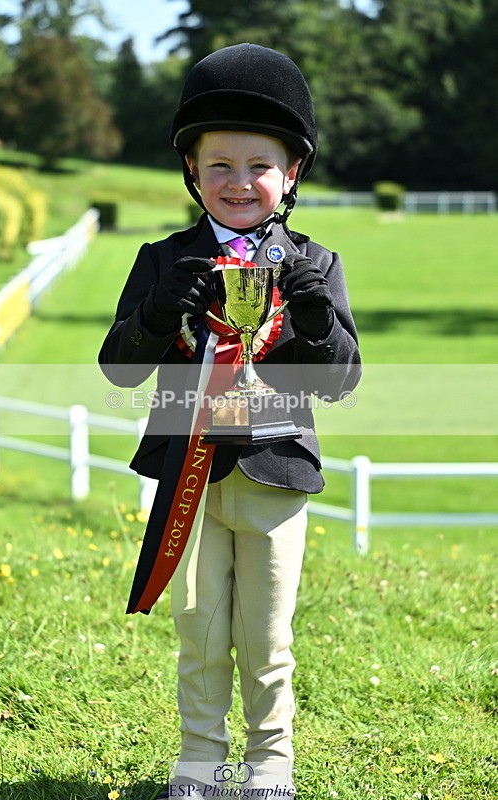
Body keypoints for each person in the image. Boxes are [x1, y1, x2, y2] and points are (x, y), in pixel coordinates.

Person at [99, 43, 361, 799]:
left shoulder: (316, 262)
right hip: (185, 472)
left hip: (275, 470)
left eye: (258, 165)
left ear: (291, 175)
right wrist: (154, 314)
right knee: (199, 629)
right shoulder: (163, 257)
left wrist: (314, 321)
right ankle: (198, 761)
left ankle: (269, 764)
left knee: (266, 636)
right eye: (218, 165)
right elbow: (119, 367)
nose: (238, 182)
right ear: (191, 173)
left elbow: (341, 381)